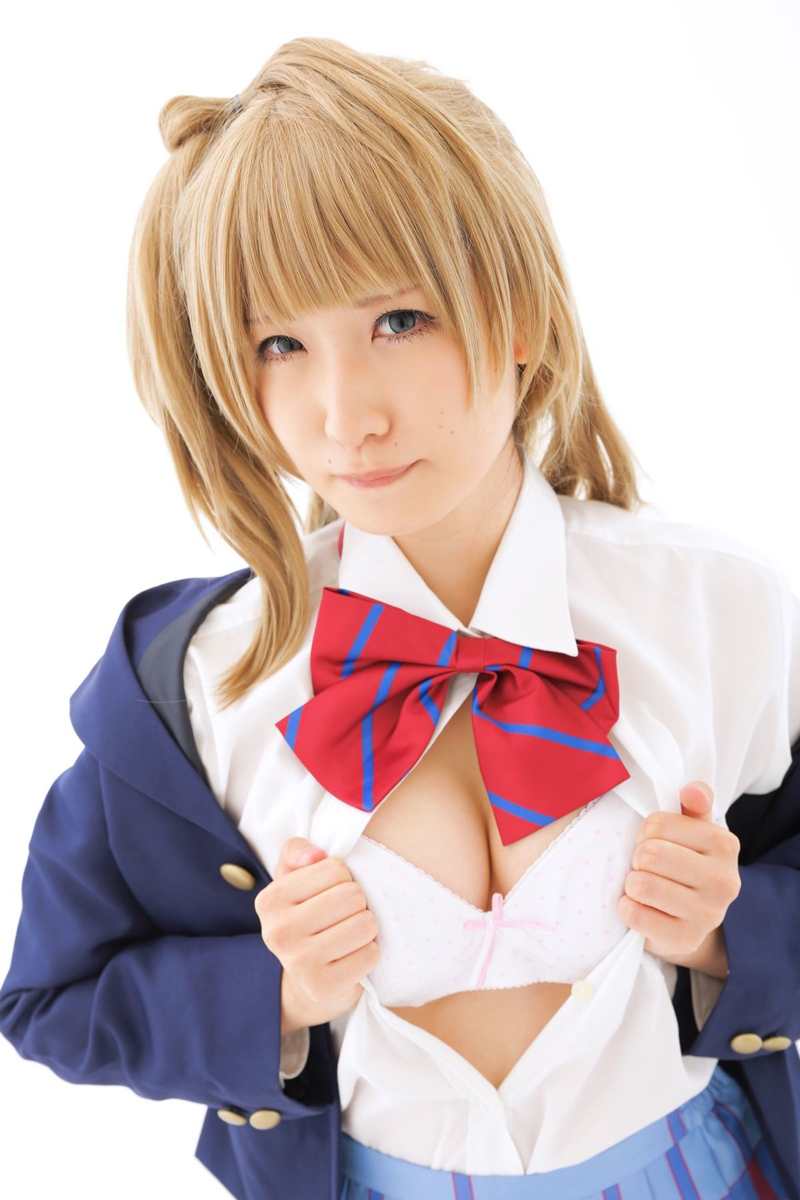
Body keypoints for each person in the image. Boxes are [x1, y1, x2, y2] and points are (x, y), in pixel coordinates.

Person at [2, 34, 799, 1200]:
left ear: (517, 310)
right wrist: (280, 997)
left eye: (399, 320)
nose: (344, 417)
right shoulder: (205, 688)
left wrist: (726, 933)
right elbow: (51, 998)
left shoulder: (711, 609)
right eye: (280, 344)